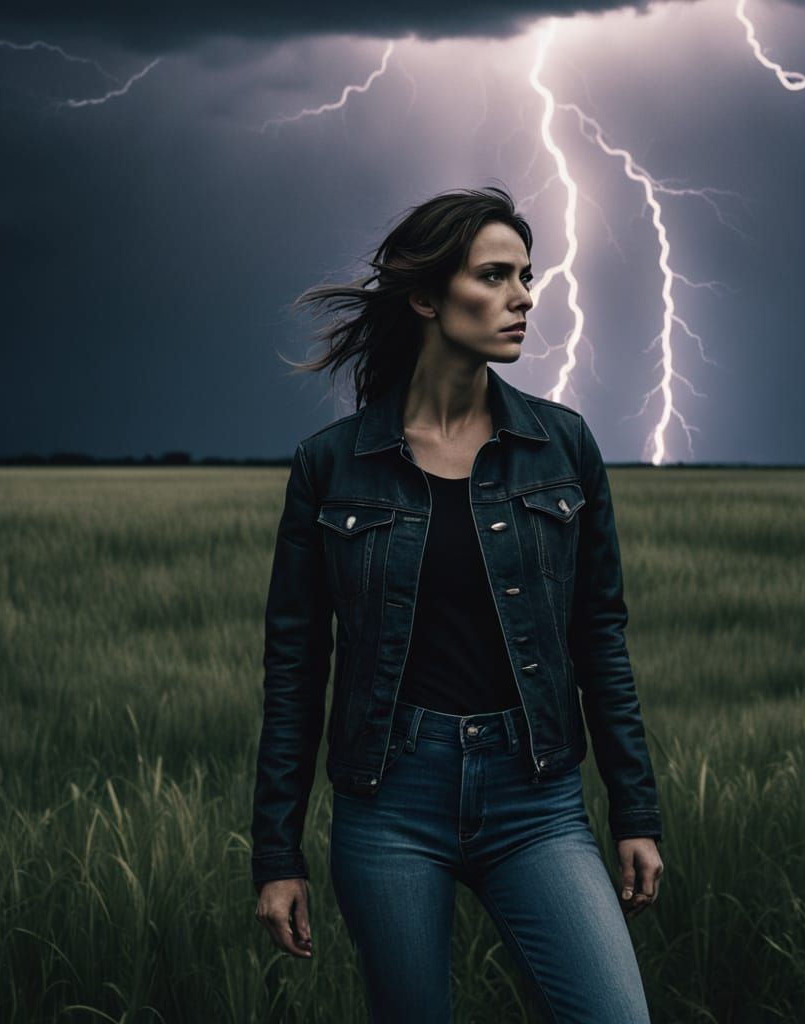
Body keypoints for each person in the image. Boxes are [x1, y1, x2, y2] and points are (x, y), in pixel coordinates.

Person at [251, 185, 664, 1023]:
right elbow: (296, 669)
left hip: (535, 798)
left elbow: (599, 637)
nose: (525, 298)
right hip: (390, 802)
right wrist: (277, 855)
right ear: (427, 298)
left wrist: (635, 809)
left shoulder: (562, 446)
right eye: (495, 276)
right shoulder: (332, 465)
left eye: (527, 276)